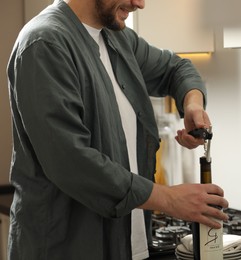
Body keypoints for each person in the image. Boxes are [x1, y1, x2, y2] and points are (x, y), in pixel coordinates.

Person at [6, 0, 229, 259]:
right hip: (66, 248)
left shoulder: (117, 38)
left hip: (129, 245)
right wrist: (169, 199)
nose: (140, 4)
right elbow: (73, 163)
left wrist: (192, 105)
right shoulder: (44, 43)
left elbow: (176, 68)